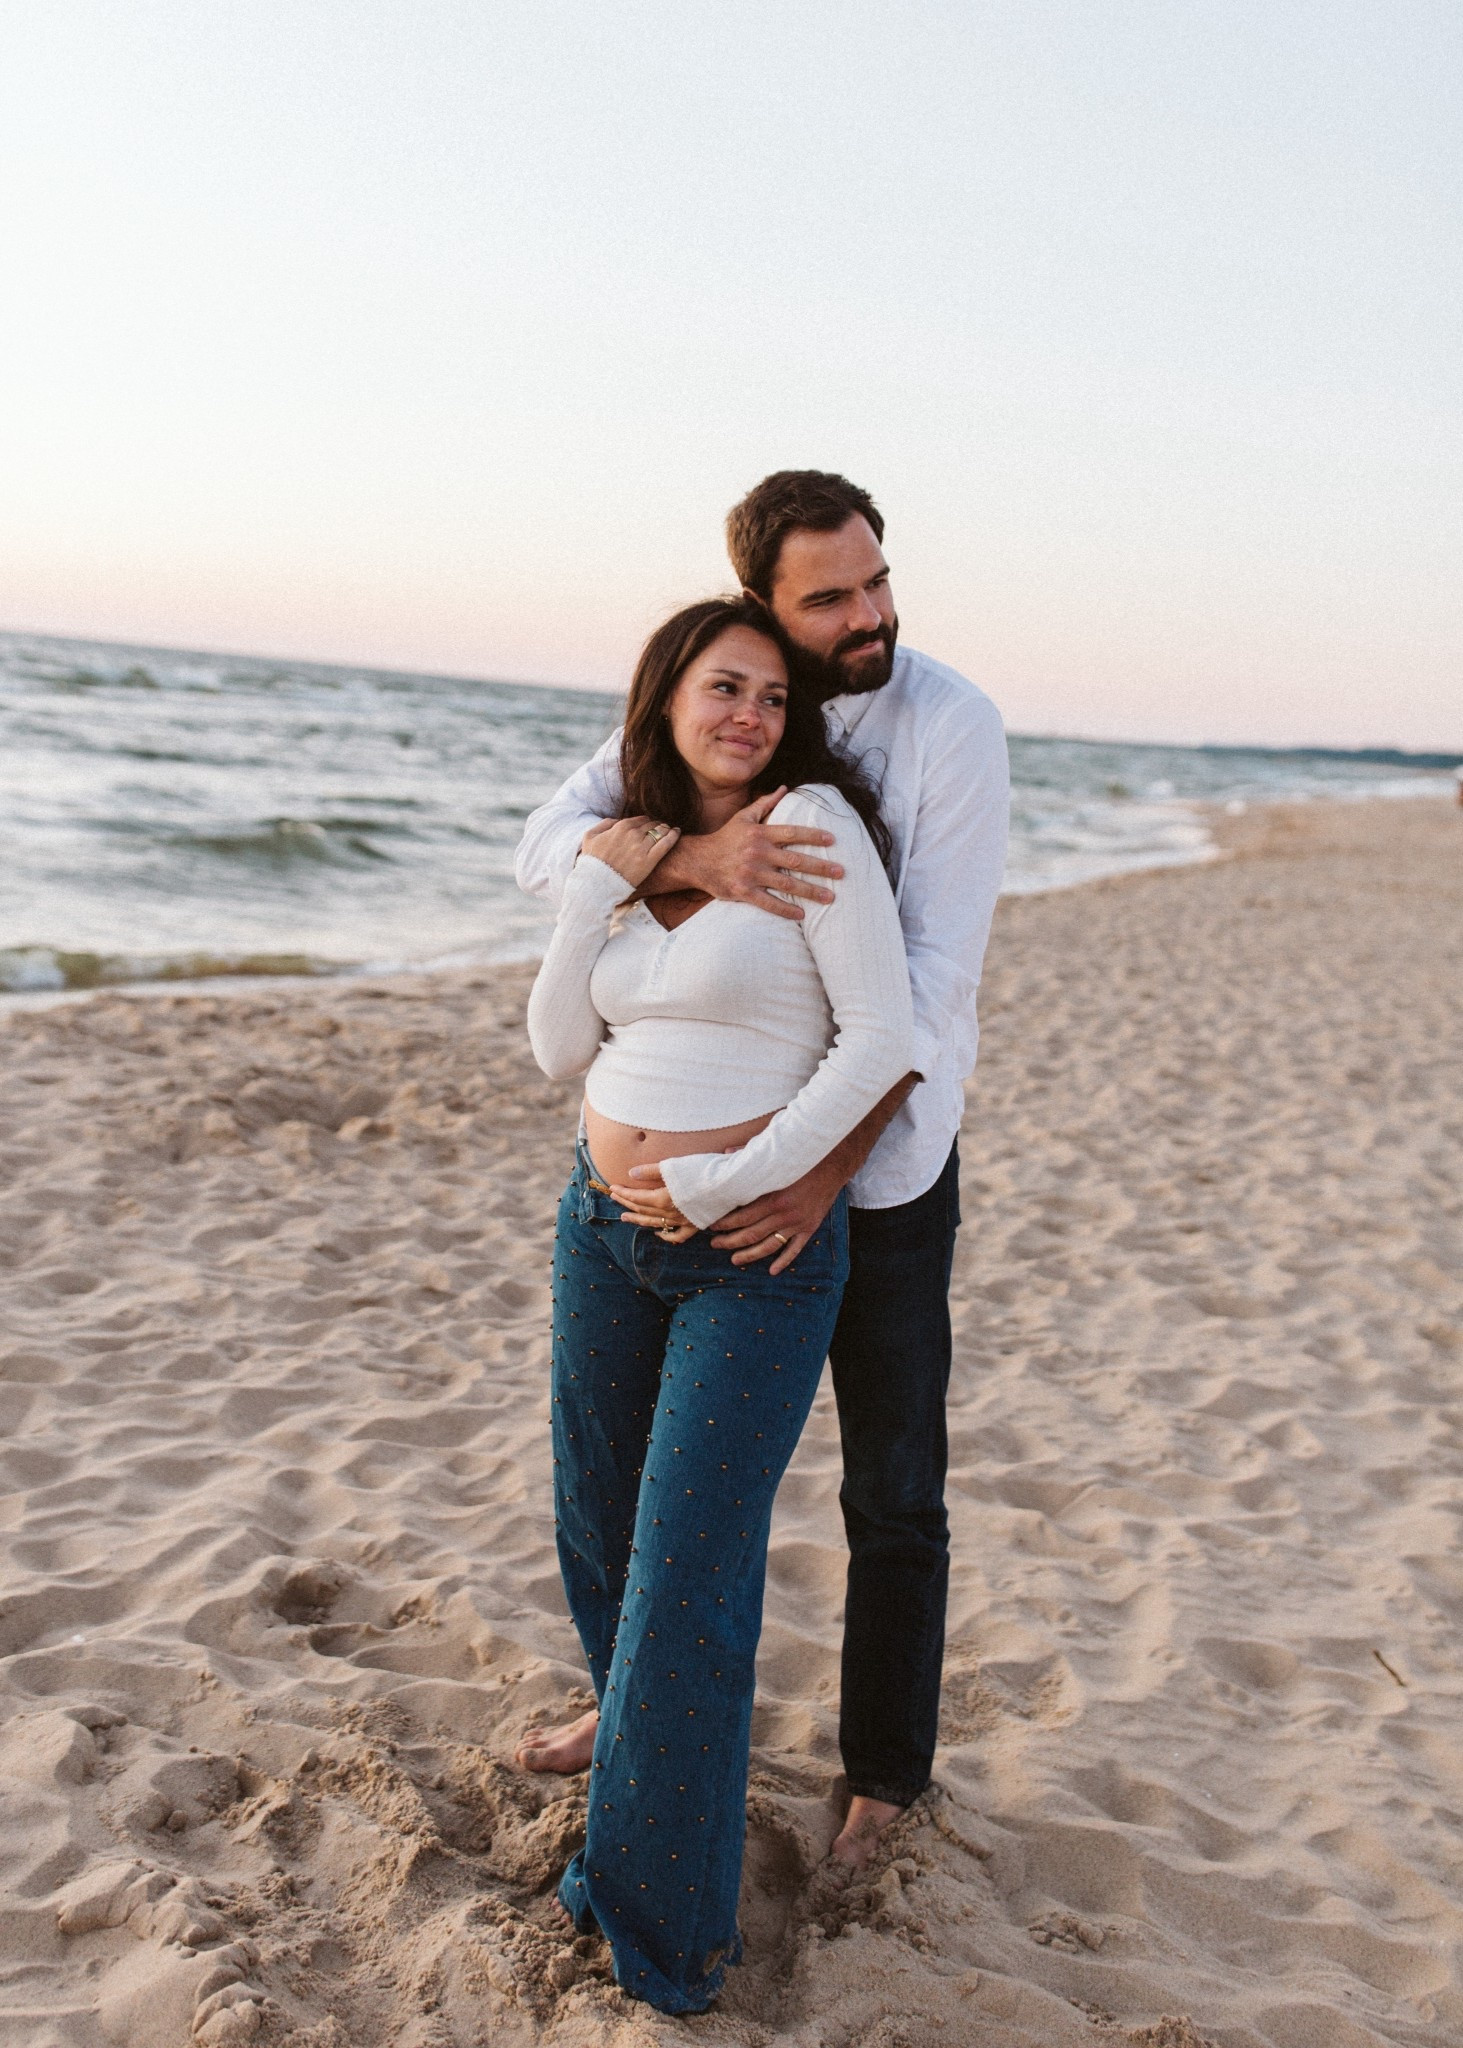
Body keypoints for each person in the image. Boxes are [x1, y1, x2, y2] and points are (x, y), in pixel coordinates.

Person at [517, 471, 1009, 1870]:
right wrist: (697, 856)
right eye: (832, 599)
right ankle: (635, 1709)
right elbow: (551, 849)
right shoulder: (736, 701)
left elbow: (929, 989)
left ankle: (883, 1774)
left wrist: (812, 1175)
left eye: (878, 579)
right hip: (698, 1190)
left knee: (892, 1483)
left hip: (881, 1168)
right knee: (639, 1495)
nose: (874, 615)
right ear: (770, 616)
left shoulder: (947, 724)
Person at [524, 594, 913, 2013]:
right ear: (668, 697)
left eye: (767, 692)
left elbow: (884, 1037)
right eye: (720, 687)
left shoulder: (815, 823)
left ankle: (661, 1942)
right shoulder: (631, 846)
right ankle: (642, 1798)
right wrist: (593, 892)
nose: (746, 713)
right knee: (599, 1534)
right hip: (598, 1233)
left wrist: (731, 1179)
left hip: (750, 1256)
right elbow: (561, 1042)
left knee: (687, 1571)